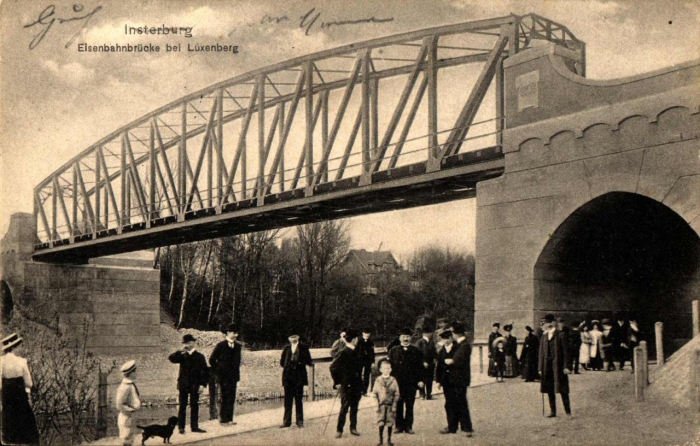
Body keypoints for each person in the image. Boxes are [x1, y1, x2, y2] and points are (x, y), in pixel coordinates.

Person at [0, 333, 40, 445]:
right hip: (19, 392)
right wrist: (28, 391)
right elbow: (29, 382)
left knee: (8, 415)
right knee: (23, 415)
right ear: (14, 347)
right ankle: (24, 441)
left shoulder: (1, 361)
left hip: (6, 392)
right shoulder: (22, 361)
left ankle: (10, 440)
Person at [169, 334, 209, 434]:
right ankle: (181, 427)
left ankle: (194, 427)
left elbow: (205, 372)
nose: (186, 345)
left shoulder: (200, 357)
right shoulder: (182, 356)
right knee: (182, 406)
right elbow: (171, 358)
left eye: (188, 343)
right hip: (183, 385)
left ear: (193, 343)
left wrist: (202, 385)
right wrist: (180, 350)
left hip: (195, 385)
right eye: (185, 343)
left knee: (194, 405)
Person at [387, 328, 424, 434]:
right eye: (403, 337)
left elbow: (420, 368)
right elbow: (389, 368)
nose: (405, 339)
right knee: (398, 405)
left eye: (407, 336)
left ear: (411, 338)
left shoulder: (416, 351)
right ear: (400, 338)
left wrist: (421, 380)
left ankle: (408, 426)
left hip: (411, 383)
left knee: (409, 405)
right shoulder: (393, 351)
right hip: (397, 384)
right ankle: (398, 426)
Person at [441, 322, 473, 437]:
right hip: (453, 379)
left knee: (460, 402)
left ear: (455, 333)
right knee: (451, 402)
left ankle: (466, 428)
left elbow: (457, 359)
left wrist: (451, 361)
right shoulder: (458, 344)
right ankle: (452, 426)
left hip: (459, 379)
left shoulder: (464, 345)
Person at [330, 329, 363, 439]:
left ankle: (353, 428)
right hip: (346, 384)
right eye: (357, 338)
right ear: (354, 339)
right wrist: (337, 382)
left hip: (356, 384)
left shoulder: (356, 351)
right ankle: (339, 430)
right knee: (344, 408)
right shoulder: (343, 352)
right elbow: (333, 367)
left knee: (355, 407)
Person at [538, 314, 572, 418]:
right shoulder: (544, 336)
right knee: (549, 389)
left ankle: (568, 412)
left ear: (553, 322)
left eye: (549, 322)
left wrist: (567, 366)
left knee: (562, 389)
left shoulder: (560, 335)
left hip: (558, 366)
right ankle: (553, 411)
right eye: (546, 322)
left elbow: (566, 352)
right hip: (547, 367)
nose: (548, 324)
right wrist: (540, 367)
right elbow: (541, 353)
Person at [209, 324, 242, 426]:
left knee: (231, 397)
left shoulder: (238, 346)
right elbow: (212, 360)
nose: (236, 335)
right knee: (224, 397)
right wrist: (219, 370)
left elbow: (238, 362)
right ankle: (223, 420)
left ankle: (230, 419)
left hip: (233, 377)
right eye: (234, 333)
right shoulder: (220, 345)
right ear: (228, 333)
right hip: (223, 377)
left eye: (237, 333)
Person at [279, 332, 313, 428]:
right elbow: (282, 362)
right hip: (288, 378)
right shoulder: (286, 348)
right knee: (287, 400)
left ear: (298, 337)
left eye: (295, 336)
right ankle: (286, 422)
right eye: (291, 337)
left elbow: (308, 360)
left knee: (298, 400)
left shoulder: (304, 347)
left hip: (299, 377)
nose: (293, 338)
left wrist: (299, 363)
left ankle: (299, 421)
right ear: (289, 338)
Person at [372, 359, 399, 446]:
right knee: (381, 422)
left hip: (390, 405)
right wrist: (376, 405)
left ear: (391, 369)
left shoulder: (393, 380)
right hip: (381, 406)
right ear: (380, 370)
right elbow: (375, 394)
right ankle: (380, 440)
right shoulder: (378, 380)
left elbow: (397, 394)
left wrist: (394, 405)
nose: (386, 370)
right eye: (384, 369)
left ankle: (389, 439)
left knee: (390, 422)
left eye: (388, 369)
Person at [115, 360, 142, 446]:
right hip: (126, 416)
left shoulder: (130, 385)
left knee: (130, 438)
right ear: (130, 373)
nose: (136, 373)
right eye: (135, 371)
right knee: (126, 439)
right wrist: (130, 410)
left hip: (130, 416)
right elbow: (119, 404)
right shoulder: (125, 387)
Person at [435, 330, 456, 433]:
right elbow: (439, 367)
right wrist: (438, 381)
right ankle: (451, 425)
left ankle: (462, 425)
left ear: (451, 338)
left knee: (457, 402)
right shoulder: (442, 351)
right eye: (444, 339)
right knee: (448, 403)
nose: (446, 340)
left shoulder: (457, 349)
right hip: (446, 381)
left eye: (448, 338)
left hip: (456, 380)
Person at [415, 325, 437, 400]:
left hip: (430, 363)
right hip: (422, 364)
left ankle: (429, 394)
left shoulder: (431, 342)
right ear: (425, 333)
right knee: (422, 378)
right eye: (430, 333)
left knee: (429, 379)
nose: (431, 334)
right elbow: (417, 354)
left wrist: (436, 359)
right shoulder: (419, 342)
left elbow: (434, 352)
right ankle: (422, 394)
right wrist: (423, 362)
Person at [359, 328, 376, 396]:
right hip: (359, 361)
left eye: (368, 333)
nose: (367, 335)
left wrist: (373, 362)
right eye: (365, 333)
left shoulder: (370, 342)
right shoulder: (358, 341)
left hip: (368, 361)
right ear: (363, 333)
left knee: (367, 375)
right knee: (359, 375)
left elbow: (372, 353)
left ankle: (365, 391)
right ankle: (359, 390)